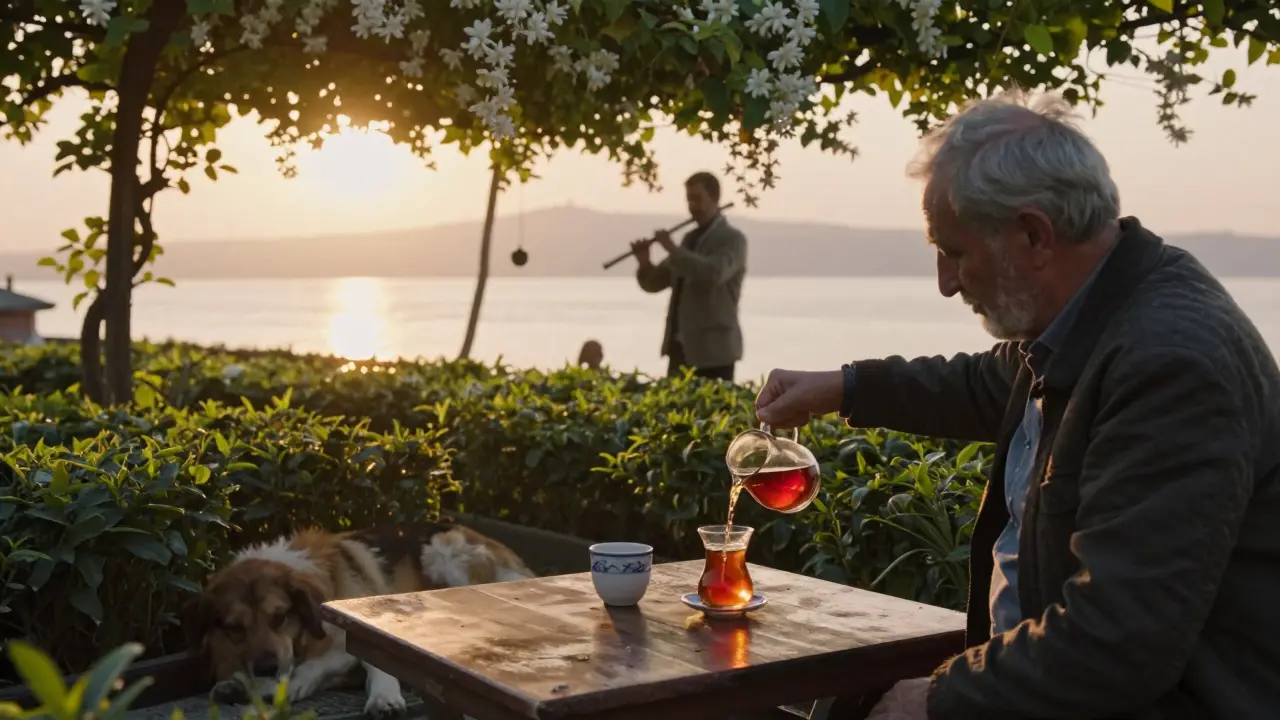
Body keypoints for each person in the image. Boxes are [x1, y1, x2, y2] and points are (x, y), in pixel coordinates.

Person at [754, 91, 1280, 718]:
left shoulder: (1169, 364)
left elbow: (1117, 642)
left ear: (1033, 235)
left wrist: (938, 700)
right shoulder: (1094, 320)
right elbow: (985, 384)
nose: (946, 284)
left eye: (953, 251)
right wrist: (843, 387)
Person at [632, 171, 747, 381]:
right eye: (689, 200)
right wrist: (644, 262)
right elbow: (655, 283)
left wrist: (673, 249)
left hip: (714, 353)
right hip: (680, 350)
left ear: (715, 199)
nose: (693, 206)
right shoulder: (688, 240)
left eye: (698, 199)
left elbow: (714, 273)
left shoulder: (733, 240)